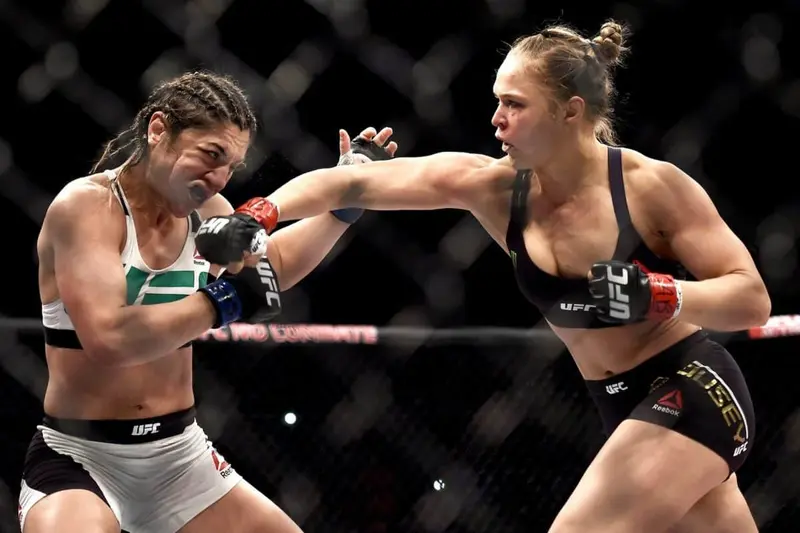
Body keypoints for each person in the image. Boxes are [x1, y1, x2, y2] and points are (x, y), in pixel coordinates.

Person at [226, 20, 770, 533]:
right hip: (616, 401)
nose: (496, 119)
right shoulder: (494, 188)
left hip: (692, 385)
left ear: (570, 111)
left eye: (514, 103)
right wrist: (257, 214)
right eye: (497, 101)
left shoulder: (649, 187)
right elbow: (351, 185)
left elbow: (751, 298)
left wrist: (659, 294)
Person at [20, 69, 397, 533]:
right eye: (211, 154)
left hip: (179, 457)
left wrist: (341, 207)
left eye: (231, 166)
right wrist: (222, 301)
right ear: (158, 129)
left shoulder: (207, 214)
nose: (218, 179)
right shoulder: (87, 208)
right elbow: (109, 339)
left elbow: (272, 266)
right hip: (80, 458)